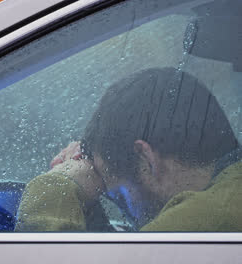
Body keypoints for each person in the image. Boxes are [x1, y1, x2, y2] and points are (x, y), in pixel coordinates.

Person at [15, 67, 242, 232]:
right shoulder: (230, 192)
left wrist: (55, 189)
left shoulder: (205, 219)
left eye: (119, 196)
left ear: (145, 159)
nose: (125, 212)